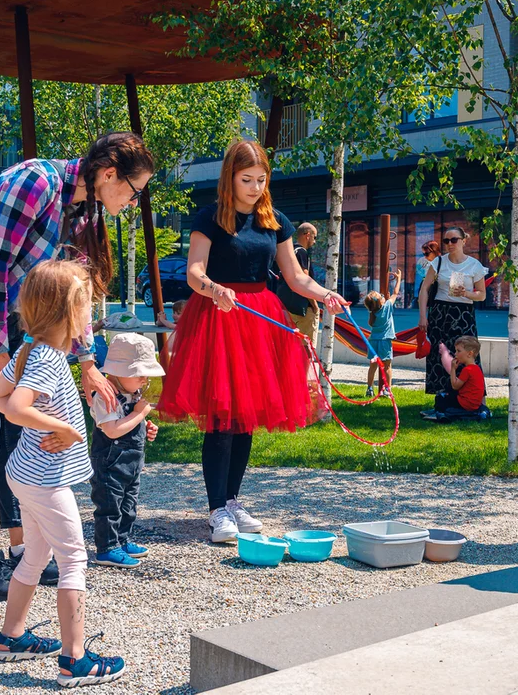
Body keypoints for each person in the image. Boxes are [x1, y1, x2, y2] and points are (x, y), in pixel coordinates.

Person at [0, 132, 154, 600]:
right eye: (133, 191)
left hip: (12, 322)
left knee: (18, 436)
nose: (133, 202)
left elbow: (77, 289)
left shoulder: (82, 207)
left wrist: (88, 361)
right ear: (109, 174)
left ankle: (20, 551)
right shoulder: (37, 182)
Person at [157, 140, 346, 543]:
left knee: (246, 419)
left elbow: (295, 277)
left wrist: (324, 294)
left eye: (261, 180)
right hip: (219, 319)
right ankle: (216, 511)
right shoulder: (210, 218)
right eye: (247, 180)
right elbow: (194, 272)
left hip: (259, 320)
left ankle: (232, 500)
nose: (255, 187)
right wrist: (212, 289)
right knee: (222, 419)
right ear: (230, 177)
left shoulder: (275, 220)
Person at [0, 260, 126, 688]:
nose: (90, 315)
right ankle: (75, 660)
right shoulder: (45, 358)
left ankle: (11, 637)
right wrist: (58, 426)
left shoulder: (34, 349)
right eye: (87, 306)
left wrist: (35, 421)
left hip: (25, 474)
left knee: (35, 555)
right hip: (45, 480)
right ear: (69, 312)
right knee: (74, 560)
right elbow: (18, 404)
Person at [89, 333, 164, 569]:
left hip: (131, 463)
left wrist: (145, 426)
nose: (145, 380)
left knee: (128, 504)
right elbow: (112, 430)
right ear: (119, 372)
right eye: (140, 374)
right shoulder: (105, 397)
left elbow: (130, 424)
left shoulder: (132, 393)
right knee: (109, 505)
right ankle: (107, 548)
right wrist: (139, 415)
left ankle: (122, 540)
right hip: (110, 463)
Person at [417, 225, 487, 396]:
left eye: (454, 240)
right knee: (439, 355)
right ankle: (442, 396)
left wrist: (467, 293)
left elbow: (482, 295)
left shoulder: (474, 265)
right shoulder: (438, 262)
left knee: (467, 354)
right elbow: (424, 289)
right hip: (440, 313)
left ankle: (472, 395)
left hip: (464, 313)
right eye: (446, 241)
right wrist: (422, 316)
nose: (450, 243)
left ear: (463, 241)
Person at [423, 336, 486, 421]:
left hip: (466, 403)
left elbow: (455, 386)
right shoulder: (477, 369)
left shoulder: (468, 370)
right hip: (475, 404)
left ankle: (439, 412)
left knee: (441, 397)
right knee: (449, 393)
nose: (455, 354)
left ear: (469, 354)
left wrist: (453, 369)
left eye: (458, 351)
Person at [277, 222, 320, 343]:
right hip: (303, 308)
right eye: (314, 237)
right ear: (307, 235)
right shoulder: (301, 252)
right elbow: (304, 279)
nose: (315, 241)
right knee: (307, 345)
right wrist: (315, 305)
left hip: (286, 305)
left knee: (288, 344)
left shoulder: (289, 252)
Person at [363, 269, 401, 398]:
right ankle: (387, 389)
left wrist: (384, 299)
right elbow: (396, 293)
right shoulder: (387, 307)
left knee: (373, 366)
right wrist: (399, 278)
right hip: (385, 341)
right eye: (381, 296)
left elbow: (384, 300)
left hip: (373, 341)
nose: (383, 296)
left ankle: (369, 388)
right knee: (387, 366)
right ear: (381, 302)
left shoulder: (372, 313)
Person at [413, 240, 440, 309]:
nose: (425, 256)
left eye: (427, 254)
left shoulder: (441, 261)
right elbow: (419, 271)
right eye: (423, 254)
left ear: (434, 251)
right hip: (426, 283)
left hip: (438, 287)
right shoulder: (423, 261)